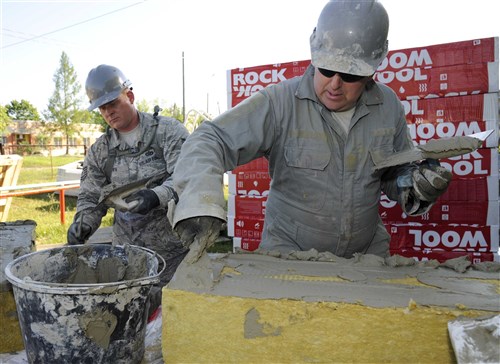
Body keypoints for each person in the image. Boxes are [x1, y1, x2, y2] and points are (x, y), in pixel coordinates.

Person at [171, 0, 452, 258]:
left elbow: (394, 171)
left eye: (351, 75)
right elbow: (210, 139)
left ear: (372, 71)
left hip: (365, 256)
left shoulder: (388, 105)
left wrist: (412, 184)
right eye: (327, 69)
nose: (334, 84)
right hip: (290, 256)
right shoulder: (280, 103)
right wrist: (201, 201)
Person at [67, 64, 189, 313]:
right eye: (102, 108)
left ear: (130, 96)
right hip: (127, 255)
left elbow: (187, 178)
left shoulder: (167, 132)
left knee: (172, 319)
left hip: (172, 253)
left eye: (113, 103)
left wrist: (156, 196)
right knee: (130, 316)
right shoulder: (101, 150)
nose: (108, 112)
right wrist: (83, 223)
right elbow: (91, 194)